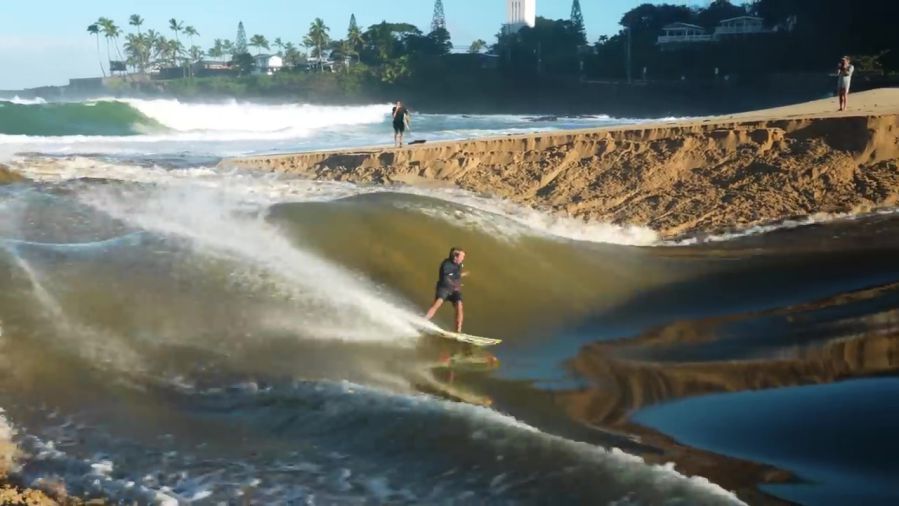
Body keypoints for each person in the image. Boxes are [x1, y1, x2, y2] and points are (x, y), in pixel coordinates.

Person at [425, 247, 469, 333]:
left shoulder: (459, 264)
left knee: (459, 306)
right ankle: (423, 320)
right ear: (455, 257)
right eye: (462, 256)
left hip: (454, 289)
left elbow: (456, 275)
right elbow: (447, 277)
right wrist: (454, 282)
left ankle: (458, 331)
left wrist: (460, 279)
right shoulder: (446, 264)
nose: (463, 258)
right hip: (444, 288)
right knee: (437, 303)